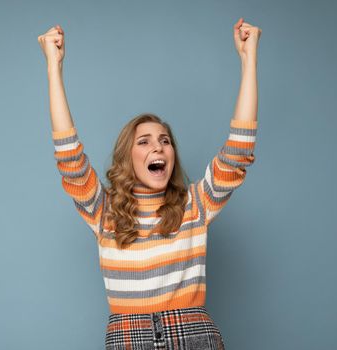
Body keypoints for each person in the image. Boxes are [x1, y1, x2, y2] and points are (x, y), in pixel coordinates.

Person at [38, 18, 261, 350]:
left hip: (192, 336)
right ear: (127, 157)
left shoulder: (195, 204)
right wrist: (53, 68)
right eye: (144, 141)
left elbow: (239, 150)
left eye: (165, 140)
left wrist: (249, 59)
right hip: (128, 339)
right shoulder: (104, 211)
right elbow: (69, 159)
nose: (158, 147)